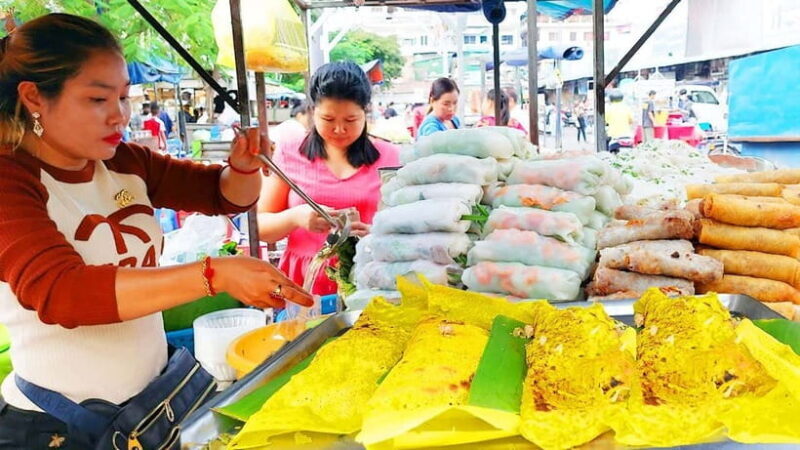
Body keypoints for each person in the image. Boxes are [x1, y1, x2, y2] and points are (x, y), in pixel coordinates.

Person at [0, 14, 312, 448]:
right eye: (97, 100)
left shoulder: (124, 161)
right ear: (34, 97)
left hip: (147, 409)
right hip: (58, 427)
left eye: (124, 97)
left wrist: (242, 167)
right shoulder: (10, 179)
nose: (120, 116)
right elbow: (62, 292)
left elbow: (224, 195)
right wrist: (213, 274)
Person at [257, 62, 400, 295]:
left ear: (366, 112)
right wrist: (296, 217)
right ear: (313, 111)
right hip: (304, 285)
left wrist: (377, 234)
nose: (340, 129)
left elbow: (409, 230)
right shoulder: (289, 151)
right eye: (329, 119)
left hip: (369, 281)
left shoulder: (390, 157)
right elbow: (260, 226)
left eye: (351, 120)